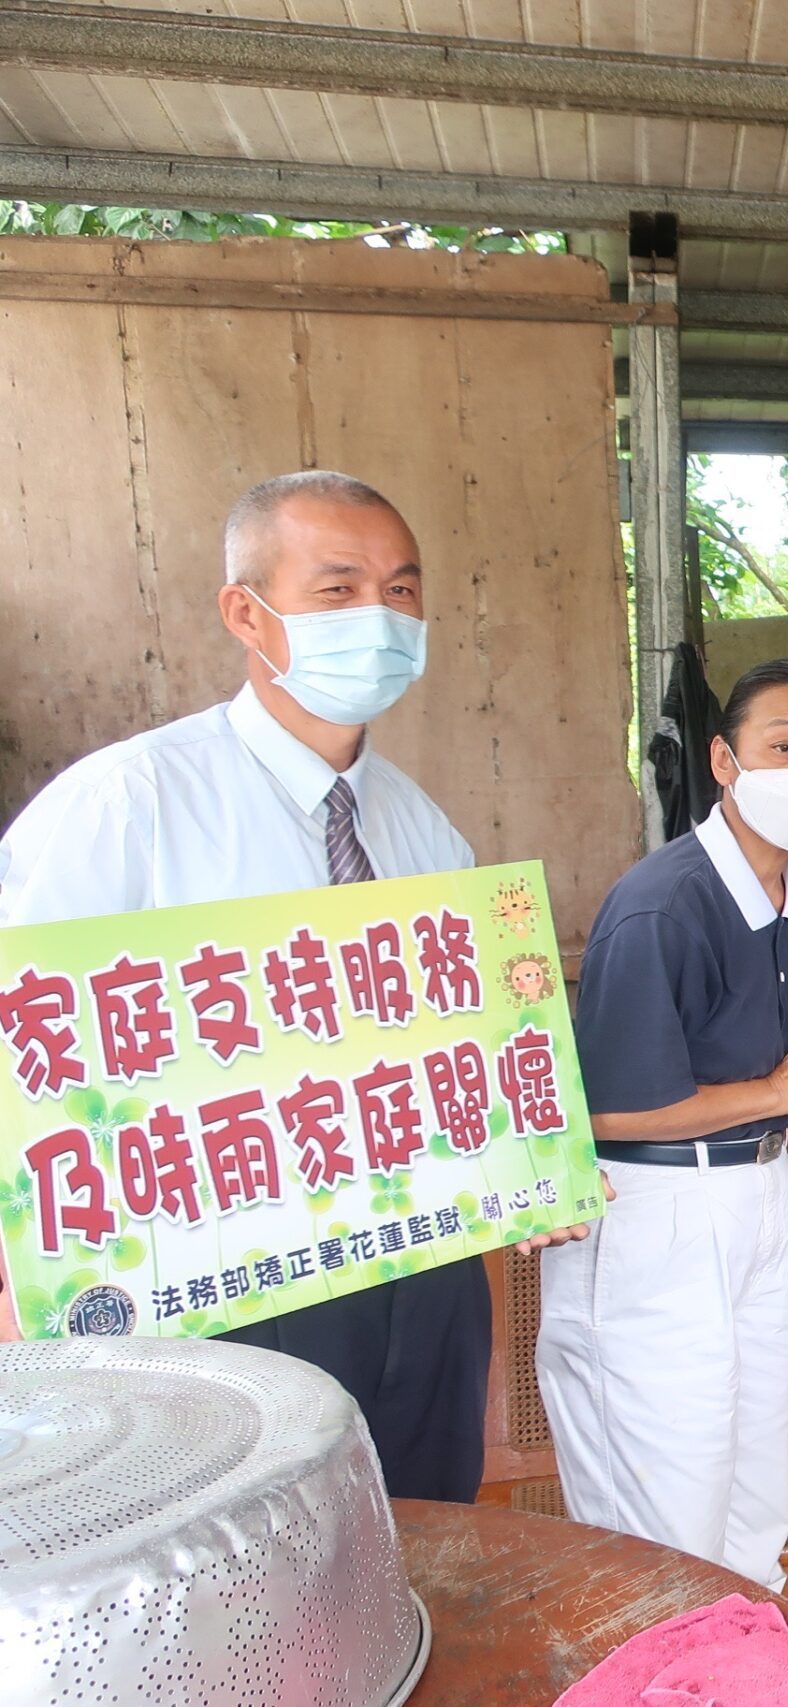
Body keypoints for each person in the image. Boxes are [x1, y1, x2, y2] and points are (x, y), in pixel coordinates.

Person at [0, 469, 558, 1499]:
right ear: (245, 614)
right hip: (224, 1281)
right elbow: (22, 1053)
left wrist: (528, 1168)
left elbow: (466, 1050)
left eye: (401, 592)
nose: (380, 621)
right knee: (251, 1571)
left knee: (424, 1538)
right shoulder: (128, 807)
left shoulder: (422, 829)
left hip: (420, 1267)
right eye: (337, 591)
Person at [535, 657, 788, 1590]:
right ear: (725, 760)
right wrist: (780, 1092)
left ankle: (740, 1671)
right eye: (784, 745)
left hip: (759, 1192)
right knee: (664, 1507)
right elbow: (607, 1104)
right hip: (661, 1209)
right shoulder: (662, 903)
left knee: (753, 1491)